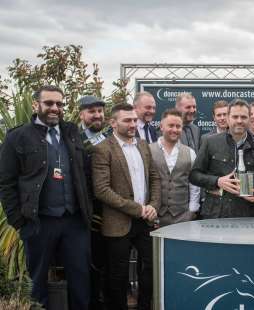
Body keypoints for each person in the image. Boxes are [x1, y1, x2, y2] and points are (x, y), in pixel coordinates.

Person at [0, 85, 92, 309]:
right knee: (37, 284)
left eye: (59, 104)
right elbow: (5, 182)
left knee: (81, 282)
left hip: (74, 221)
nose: (55, 108)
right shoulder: (17, 137)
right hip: (39, 222)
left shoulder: (72, 133)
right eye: (49, 103)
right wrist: (18, 221)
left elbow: (85, 174)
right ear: (35, 105)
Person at [92, 103, 160, 310]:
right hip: (117, 224)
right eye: (127, 120)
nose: (133, 124)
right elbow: (101, 190)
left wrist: (153, 205)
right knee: (117, 275)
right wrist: (136, 208)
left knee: (149, 270)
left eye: (134, 120)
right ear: (113, 123)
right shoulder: (102, 150)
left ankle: (144, 307)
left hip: (145, 221)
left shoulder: (143, 145)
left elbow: (155, 178)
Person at [189, 99, 254, 218]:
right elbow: (194, 176)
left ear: (249, 119)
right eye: (235, 117)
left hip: (247, 216)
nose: (239, 121)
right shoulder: (210, 142)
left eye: (243, 117)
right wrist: (217, 181)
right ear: (228, 118)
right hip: (216, 214)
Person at [78, 95, 109, 310]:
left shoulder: (109, 137)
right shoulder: (74, 139)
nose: (97, 115)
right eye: (92, 111)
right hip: (83, 212)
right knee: (82, 263)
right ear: (81, 114)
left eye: (100, 111)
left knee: (103, 260)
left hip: (107, 210)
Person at [149, 108, 200, 227]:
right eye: (171, 125)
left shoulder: (190, 152)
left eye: (178, 126)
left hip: (182, 217)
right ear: (161, 127)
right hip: (155, 216)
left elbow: (194, 185)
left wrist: (192, 211)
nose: (175, 130)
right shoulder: (148, 150)